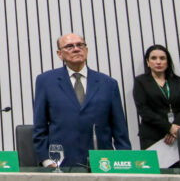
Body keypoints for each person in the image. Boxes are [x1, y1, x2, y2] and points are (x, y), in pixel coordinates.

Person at [33, 33, 130, 168]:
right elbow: (40, 126)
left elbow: (120, 130)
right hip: (61, 163)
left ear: (86, 50)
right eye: (69, 46)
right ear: (59, 54)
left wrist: (125, 160)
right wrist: (46, 160)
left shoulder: (108, 83)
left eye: (80, 45)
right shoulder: (45, 81)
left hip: (103, 163)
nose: (76, 49)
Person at [132, 45, 180, 152]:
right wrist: (168, 127)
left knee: (178, 168)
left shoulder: (178, 81)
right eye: (154, 58)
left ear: (167, 62)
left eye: (162, 58)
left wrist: (175, 129)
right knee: (154, 168)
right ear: (148, 62)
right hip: (151, 135)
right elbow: (143, 109)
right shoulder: (141, 81)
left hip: (176, 135)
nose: (158, 62)